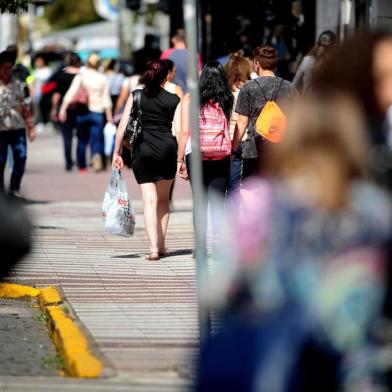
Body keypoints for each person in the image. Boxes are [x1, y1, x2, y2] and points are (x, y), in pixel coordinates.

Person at [197, 95, 392, 391]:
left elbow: (219, 288)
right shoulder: (375, 211)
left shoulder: (261, 202)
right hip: (356, 369)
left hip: (273, 364)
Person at [112, 60, 181, 261]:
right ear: (166, 76)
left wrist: (116, 153)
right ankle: (162, 244)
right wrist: (181, 157)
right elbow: (178, 130)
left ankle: (153, 249)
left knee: (149, 200)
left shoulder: (136, 96)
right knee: (163, 200)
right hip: (167, 150)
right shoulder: (173, 99)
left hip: (142, 151)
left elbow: (122, 125)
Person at [177, 61, 233, 234]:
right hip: (221, 155)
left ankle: (200, 245)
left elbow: (185, 131)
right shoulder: (227, 98)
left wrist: (180, 159)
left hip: (196, 156)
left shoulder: (190, 99)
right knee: (218, 201)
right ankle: (218, 242)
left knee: (199, 201)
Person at [231, 45, 298, 180]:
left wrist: (233, 150)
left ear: (257, 63)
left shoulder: (249, 88)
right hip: (281, 150)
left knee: (253, 194)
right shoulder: (289, 87)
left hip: (253, 150)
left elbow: (242, 121)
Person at [59, 53, 113, 173]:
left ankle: (82, 166)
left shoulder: (82, 76)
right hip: (97, 112)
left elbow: (71, 93)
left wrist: (63, 109)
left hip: (82, 111)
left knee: (82, 139)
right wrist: (109, 116)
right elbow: (106, 98)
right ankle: (96, 158)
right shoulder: (103, 78)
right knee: (96, 138)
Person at [0, 49, 35, 197]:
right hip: (1, 129)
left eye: (10, 67)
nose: (8, 71)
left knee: (21, 157)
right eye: (5, 67)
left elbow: (24, 107)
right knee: (0, 160)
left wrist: (30, 127)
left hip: (17, 127)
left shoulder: (17, 84)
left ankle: (14, 188)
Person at [224, 52, 252, 194]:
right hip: (244, 139)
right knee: (239, 186)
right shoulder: (250, 90)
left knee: (226, 184)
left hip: (225, 139)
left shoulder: (224, 91)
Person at [51, 52, 82, 171]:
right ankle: (80, 161)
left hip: (65, 109)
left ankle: (69, 163)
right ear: (78, 62)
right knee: (81, 137)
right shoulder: (82, 75)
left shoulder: (61, 75)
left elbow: (57, 94)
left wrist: (55, 109)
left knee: (67, 137)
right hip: (80, 108)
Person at [292, 30, 336, 94]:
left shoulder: (307, 60)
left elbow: (294, 84)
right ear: (334, 46)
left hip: (309, 102)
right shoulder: (336, 63)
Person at [160, 28, 202, 93]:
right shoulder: (194, 55)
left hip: (170, 94)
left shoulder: (166, 54)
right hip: (189, 95)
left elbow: (160, 74)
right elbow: (199, 76)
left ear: (173, 39)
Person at [31, 55, 52, 134]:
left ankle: (48, 122)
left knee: (47, 107)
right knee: (38, 108)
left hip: (47, 92)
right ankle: (40, 123)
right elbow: (32, 82)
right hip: (38, 93)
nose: (38, 63)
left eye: (39, 61)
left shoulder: (47, 70)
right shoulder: (35, 71)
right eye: (37, 62)